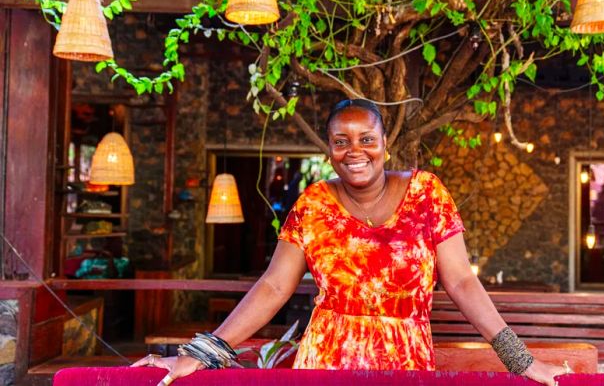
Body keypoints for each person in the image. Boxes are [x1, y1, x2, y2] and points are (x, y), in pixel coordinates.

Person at [133, 99, 568, 386]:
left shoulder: (427, 194)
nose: (354, 151)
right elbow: (273, 287)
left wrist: (519, 358)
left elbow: (461, 282)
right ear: (329, 149)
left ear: (385, 144)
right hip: (326, 360)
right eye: (341, 141)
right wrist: (205, 352)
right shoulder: (315, 204)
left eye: (366, 140)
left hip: (405, 361)